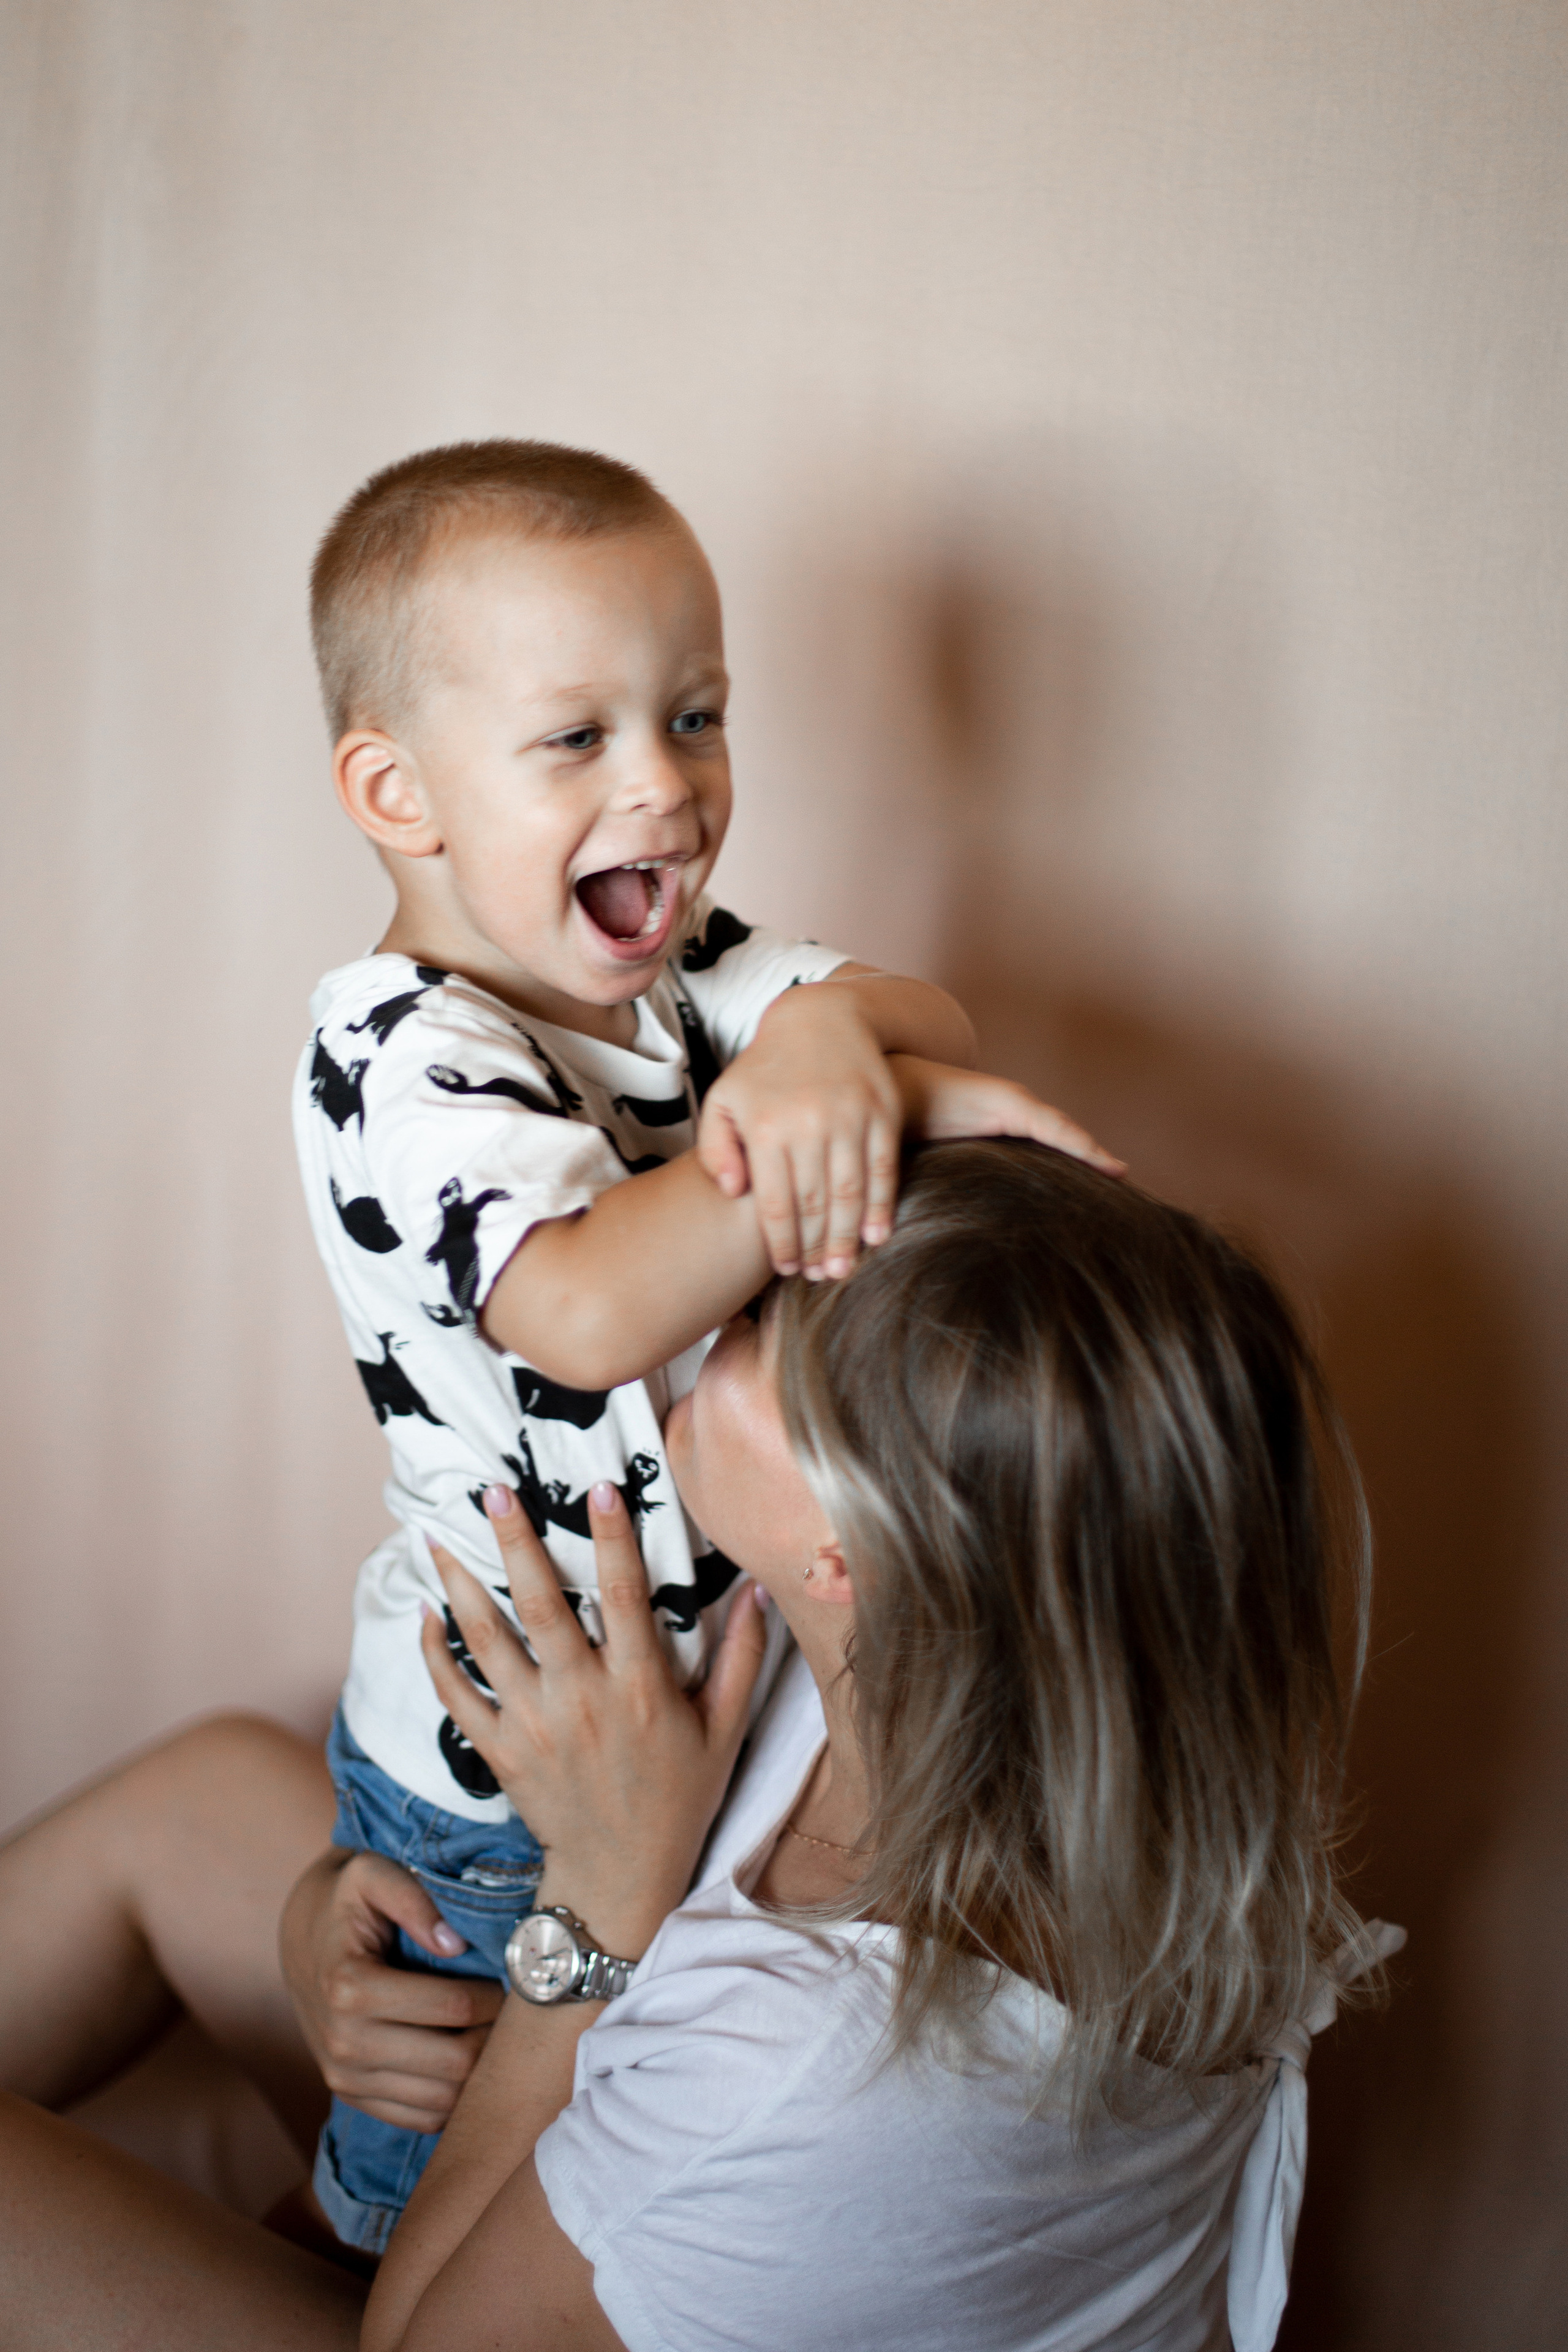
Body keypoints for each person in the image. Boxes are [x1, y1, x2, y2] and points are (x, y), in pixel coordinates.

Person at [0, 1140, 1397, 2350]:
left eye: (760, 1323)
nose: (705, 1313)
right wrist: (322, 1930)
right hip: (650, 2144)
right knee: (199, 1799)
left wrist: (600, 1895)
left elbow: (416, 2337)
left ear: (854, 1540)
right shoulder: (992, 1682)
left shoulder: (818, 2080)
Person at [293, 435, 1117, 2247]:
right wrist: (866, 1111)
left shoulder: (662, 974)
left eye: (694, 717)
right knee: (438, 2191)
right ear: (399, 792)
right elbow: (585, 1309)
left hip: (670, 1712)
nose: (662, 786)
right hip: (502, 1773)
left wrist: (831, 1048)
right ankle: (346, 2257)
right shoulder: (401, 1053)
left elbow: (917, 1003)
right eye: (576, 738)